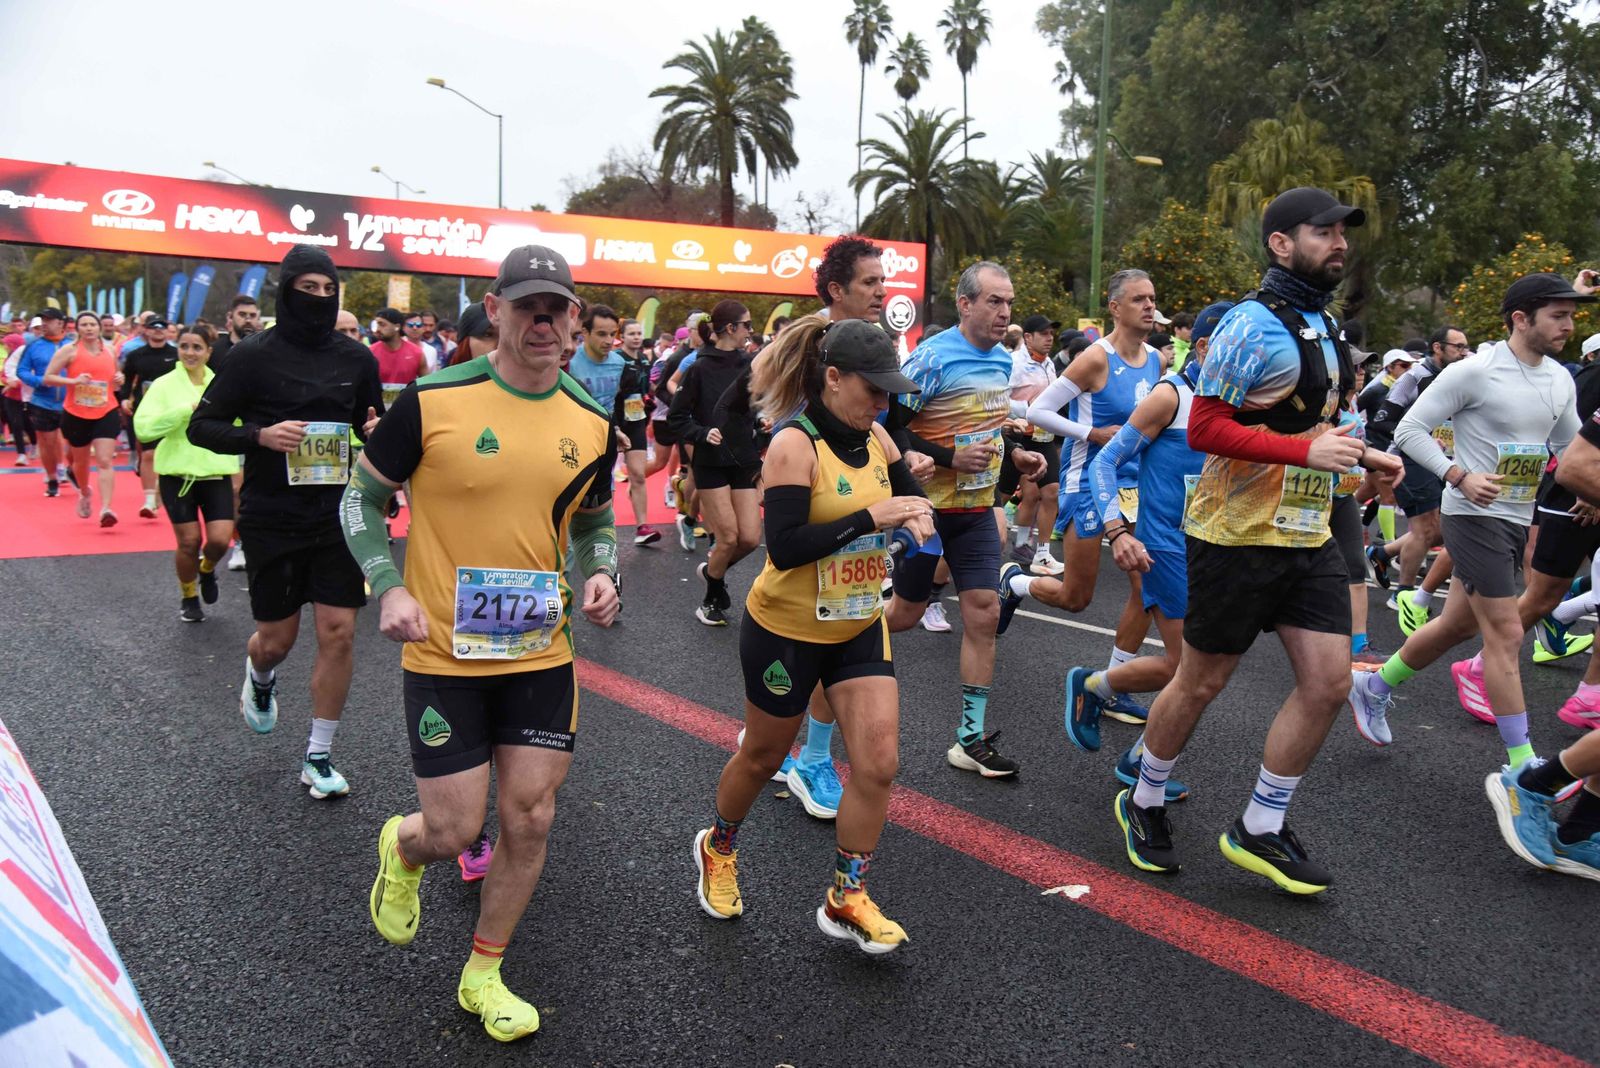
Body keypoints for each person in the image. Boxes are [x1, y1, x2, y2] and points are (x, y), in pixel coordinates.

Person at [348, 244, 619, 1042]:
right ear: (495, 311)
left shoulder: (589, 419)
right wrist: (386, 584)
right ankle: (403, 848)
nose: (544, 321)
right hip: (444, 653)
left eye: (557, 307)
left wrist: (601, 571)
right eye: (527, 305)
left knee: (529, 818)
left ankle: (483, 972)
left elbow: (597, 520)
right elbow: (359, 502)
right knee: (456, 830)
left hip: (542, 650)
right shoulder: (432, 400)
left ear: (573, 320)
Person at [1116, 187, 1399, 893]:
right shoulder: (1250, 325)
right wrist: (1308, 455)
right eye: (1323, 232)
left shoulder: (1326, 326)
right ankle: (1143, 797)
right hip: (1233, 535)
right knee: (1203, 680)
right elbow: (1207, 427)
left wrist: (1366, 457)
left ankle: (1260, 825)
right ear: (1280, 243)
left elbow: (1320, 427)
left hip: (1306, 533)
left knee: (1331, 683)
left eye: (1343, 233)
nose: (1338, 242)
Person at [692, 316, 930, 954]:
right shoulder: (793, 445)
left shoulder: (877, 436)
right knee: (765, 756)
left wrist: (920, 515)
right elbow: (787, 547)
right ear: (832, 377)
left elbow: (907, 495)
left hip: (856, 622)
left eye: (888, 393)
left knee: (879, 764)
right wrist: (869, 518)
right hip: (787, 629)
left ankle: (846, 896)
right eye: (873, 390)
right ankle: (719, 846)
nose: (883, 403)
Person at [1348, 273, 1587, 773]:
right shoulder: (1475, 371)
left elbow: (1569, 453)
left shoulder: (1560, 378)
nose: (1570, 324)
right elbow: (1409, 429)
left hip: (1515, 518)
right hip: (1472, 516)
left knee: (1456, 624)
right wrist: (1457, 475)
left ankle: (1374, 685)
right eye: (1558, 315)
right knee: (1506, 633)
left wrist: (1591, 493)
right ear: (1521, 319)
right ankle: (1522, 766)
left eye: (1571, 314)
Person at [188, 244, 383, 799]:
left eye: (329, 290)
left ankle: (318, 757)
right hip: (273, 514)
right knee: (277, 639)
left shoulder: (356, 359)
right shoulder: (251, 356)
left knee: (339, 632)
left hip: (338, 511)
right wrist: (259, 436)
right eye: (309, 289)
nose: (320, 299)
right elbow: (203, 427)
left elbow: (374, 425)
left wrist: (374, 432)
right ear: (287, 290)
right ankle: (261, 675)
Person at [1060, 301, 1233, 797]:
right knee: (1186, 669)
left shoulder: (1237, 402)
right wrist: (1118, 531)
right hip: (1164, 544)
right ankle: (1096, 687)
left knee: (1210, 669)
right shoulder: (1170, 396)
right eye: (1235, 347)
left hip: (1214, 546)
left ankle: (1136, 749)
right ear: (1202, 347)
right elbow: (1104, 463)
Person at [884, 261, 1046, 778]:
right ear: (966, 304)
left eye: (1009, 302)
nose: (1005, 312)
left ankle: (969, 739)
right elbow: (889, 432)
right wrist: (952, 458)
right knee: (902, 617)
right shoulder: (931, 359)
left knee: (981, 615)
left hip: (976, 513)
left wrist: (1013, 455)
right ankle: (822, 670)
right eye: (995, 301)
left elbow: (987, 430)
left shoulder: (1002, 362)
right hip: (926, 512)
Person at [1004, 269, 1165, 725]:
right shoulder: (1096, 358)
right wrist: (1092, 432)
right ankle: (1014, 584)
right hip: (1087, 482)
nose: (1149, 307)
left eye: (1152, 299)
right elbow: (1038, 411)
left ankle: (1111, 686)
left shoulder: (1155, 360)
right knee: (1077, 598)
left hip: (1134, 487)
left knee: (1146, 586)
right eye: (1139, 300)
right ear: (1115, 308)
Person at [1364, 326, 1472, 633]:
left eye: (1466, 347)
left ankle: (1382, 553)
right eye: (1458, 347)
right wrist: (1421, 434)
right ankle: (1404, 594)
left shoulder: (1459, 376)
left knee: (1441, 531)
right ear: (1438, 347)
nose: (1464, 352)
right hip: (1410, 456)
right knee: (1425, 531)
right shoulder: (1413, 377)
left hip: (1444, 461)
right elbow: (1383, 420)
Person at [133, 323, 239, 621]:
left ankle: (206, 569)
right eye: (184, 347)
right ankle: (189, 595)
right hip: (177, 476)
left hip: (216, 472)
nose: (190, 353)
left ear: (208, 351)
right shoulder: (164, 385)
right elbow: (143, 428)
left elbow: (239, 424)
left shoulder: (221, 384)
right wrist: (183, 412)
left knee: (219, 540)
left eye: (197, 347)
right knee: (189, 541)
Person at [667, 300, 762, 626]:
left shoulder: (750, 365)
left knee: (750, 538)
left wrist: (764, 419)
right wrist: (702, 432)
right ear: (730, 329)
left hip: (744, 459)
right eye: (746, 325)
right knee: (729, 538)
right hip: (710, 462)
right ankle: (711, 597)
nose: (751, 331)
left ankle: (711, 571)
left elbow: (756, 406)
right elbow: (676, 418)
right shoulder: (698, 368)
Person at [42, 312, 125, 525]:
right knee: (80, 462)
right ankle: (84, 492)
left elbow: (114, 381)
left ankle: (106, 508)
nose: (89, 328)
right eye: (84, 325)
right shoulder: (68, 351)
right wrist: (73, 381)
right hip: (76, 412)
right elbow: (48, 378)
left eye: (92, 325)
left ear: (99, 328)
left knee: (105, 460)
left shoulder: (109, 350)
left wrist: (119, 379)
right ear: (77, 329)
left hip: (106, 410)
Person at [1001, 313, 1064, 576]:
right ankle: (970, 546)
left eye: (1051, 334)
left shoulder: (1049, 364)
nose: (1050, 339)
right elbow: (999, 398)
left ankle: (1041, 553)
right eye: (1044, 334)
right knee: (1002, 496)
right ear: (1028, 337)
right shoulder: (1013, 362)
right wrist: (1027, 408)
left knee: (1050, 492)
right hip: (1017, 437)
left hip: (1043, 437)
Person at [120, 316, 181, 518]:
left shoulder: (176, 354)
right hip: (144, 409)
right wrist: (124, 399)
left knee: (167, 452)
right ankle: (148, 500)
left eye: (162, 327)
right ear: (145, 330)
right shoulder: (136, 354)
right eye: (153, 327)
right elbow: (127, 380)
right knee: (147, 454)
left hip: (172, 410)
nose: (158, 331)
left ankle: (160, 491)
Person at [611, 317, 660, 545]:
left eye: (639, 333)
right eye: (631, 334)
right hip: (613, 421)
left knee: (638, 474)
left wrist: (648, 398)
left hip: (637, 421)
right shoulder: (615, 359)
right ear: (621, 337)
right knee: (604, 475)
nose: (637, 338)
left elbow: (648, 387)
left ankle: (642, 527)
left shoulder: (645, 359)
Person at [370, 308, 427, 409]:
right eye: (376, 324)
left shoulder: (417, 353)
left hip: (405, 411)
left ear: (397, 327)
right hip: (376, 412)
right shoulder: (370, 352)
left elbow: (426, 386)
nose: (377, 329)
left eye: (382, 324)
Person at [209, 295, 262, 372]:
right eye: (242, 314)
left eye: (252, 315)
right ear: (230, 316)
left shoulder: (264, 351)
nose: (248, 320)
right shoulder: (214, 351)